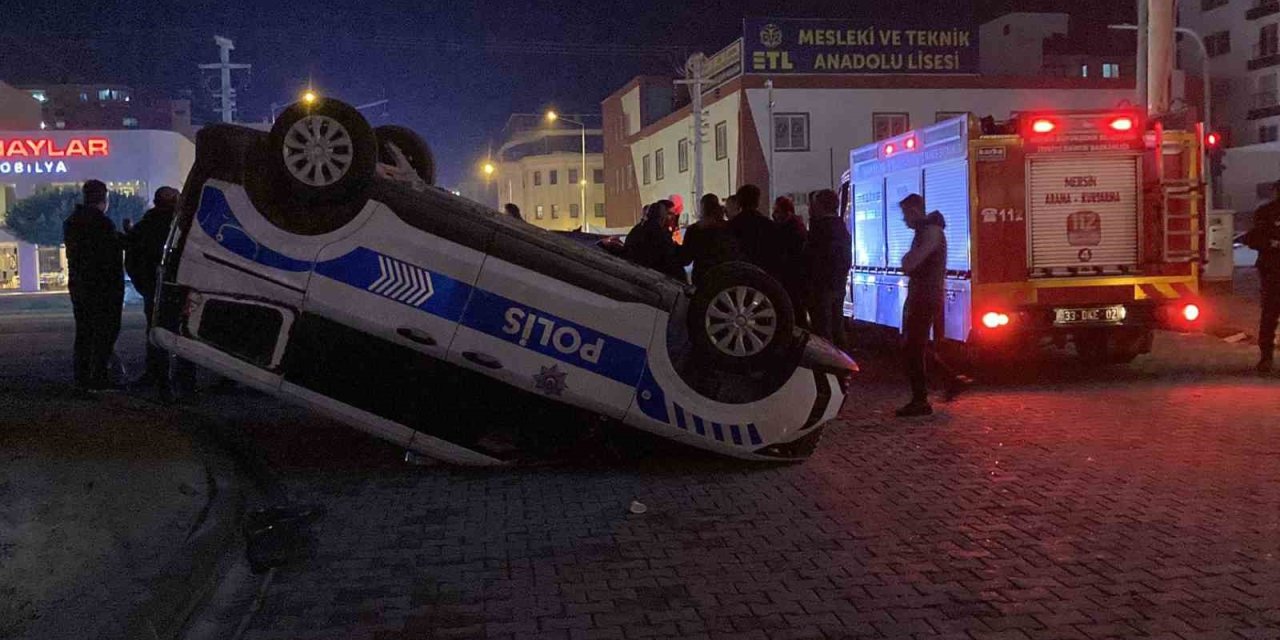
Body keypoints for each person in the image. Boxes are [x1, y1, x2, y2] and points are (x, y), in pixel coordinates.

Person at [64, 179, 124, 391]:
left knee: (84, 333)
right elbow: (109, 255)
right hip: (103, 288)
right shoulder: (102, 223)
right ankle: (98, 376)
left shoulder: (72, 221)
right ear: (104, 198)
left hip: (80, 286)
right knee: (104, 332)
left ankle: (83, 377)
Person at [895, 193, 948, 417]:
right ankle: (950, 381)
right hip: (924, 294)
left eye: (905, 214)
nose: (904, 220)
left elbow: (910, 263)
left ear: (914, 211)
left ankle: (920, 400)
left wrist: (907, 261)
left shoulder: (930, 233)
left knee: (913, 347)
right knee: (917, 346)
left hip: (925, 296)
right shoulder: (927, 232)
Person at [124, 187, 179, 391]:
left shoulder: (149, 222)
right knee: (180, 332)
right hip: (176, 287)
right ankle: (181, 381)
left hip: (153, 288)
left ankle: (157, 375)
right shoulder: (181, 222)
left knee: (155, 331)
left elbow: (133, 250)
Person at [802, 189, 851, 350]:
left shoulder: (820, 229)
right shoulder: (840, 227)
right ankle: (843, 358)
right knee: (837, 322)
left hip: (821, 285)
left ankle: (829, 363)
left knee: (823, 327)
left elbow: (811, 257)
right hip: (838, 282)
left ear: (819, 206)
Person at [1245, 181, 1280, 374]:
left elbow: (1254, 239)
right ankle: (1265, 359)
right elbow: (1255, 239)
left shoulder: (1265, 212)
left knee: (1269, 317)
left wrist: (1271, 244)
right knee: (1269, 316)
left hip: (1271, 273)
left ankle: (1266, 359)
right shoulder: (1266, 213)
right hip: (1272, 273)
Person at [678, 193, 741, 288]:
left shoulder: (694, 229)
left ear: (702, 208)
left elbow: (686, 259)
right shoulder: (728, 227)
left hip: (702, 277)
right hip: (725, 275)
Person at [727, 185, 784, 282]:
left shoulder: (730, 226)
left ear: (739, 202)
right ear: (757, 202)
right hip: (764, 276)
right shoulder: (768, 225)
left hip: (738, 276)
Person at [623, 201, 686, 281]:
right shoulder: (656, 232)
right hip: (652, 277)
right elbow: (668, 255)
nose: (673, 217)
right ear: (662, 216)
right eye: (669, 214)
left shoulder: (644, 228)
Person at [772, 195, 809, 321]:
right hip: (796, 275)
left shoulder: (789, 229)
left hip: (792, 275)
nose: (774, 214)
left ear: (786, 212)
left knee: (795, 307)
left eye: (777, 211)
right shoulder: (798, 226)